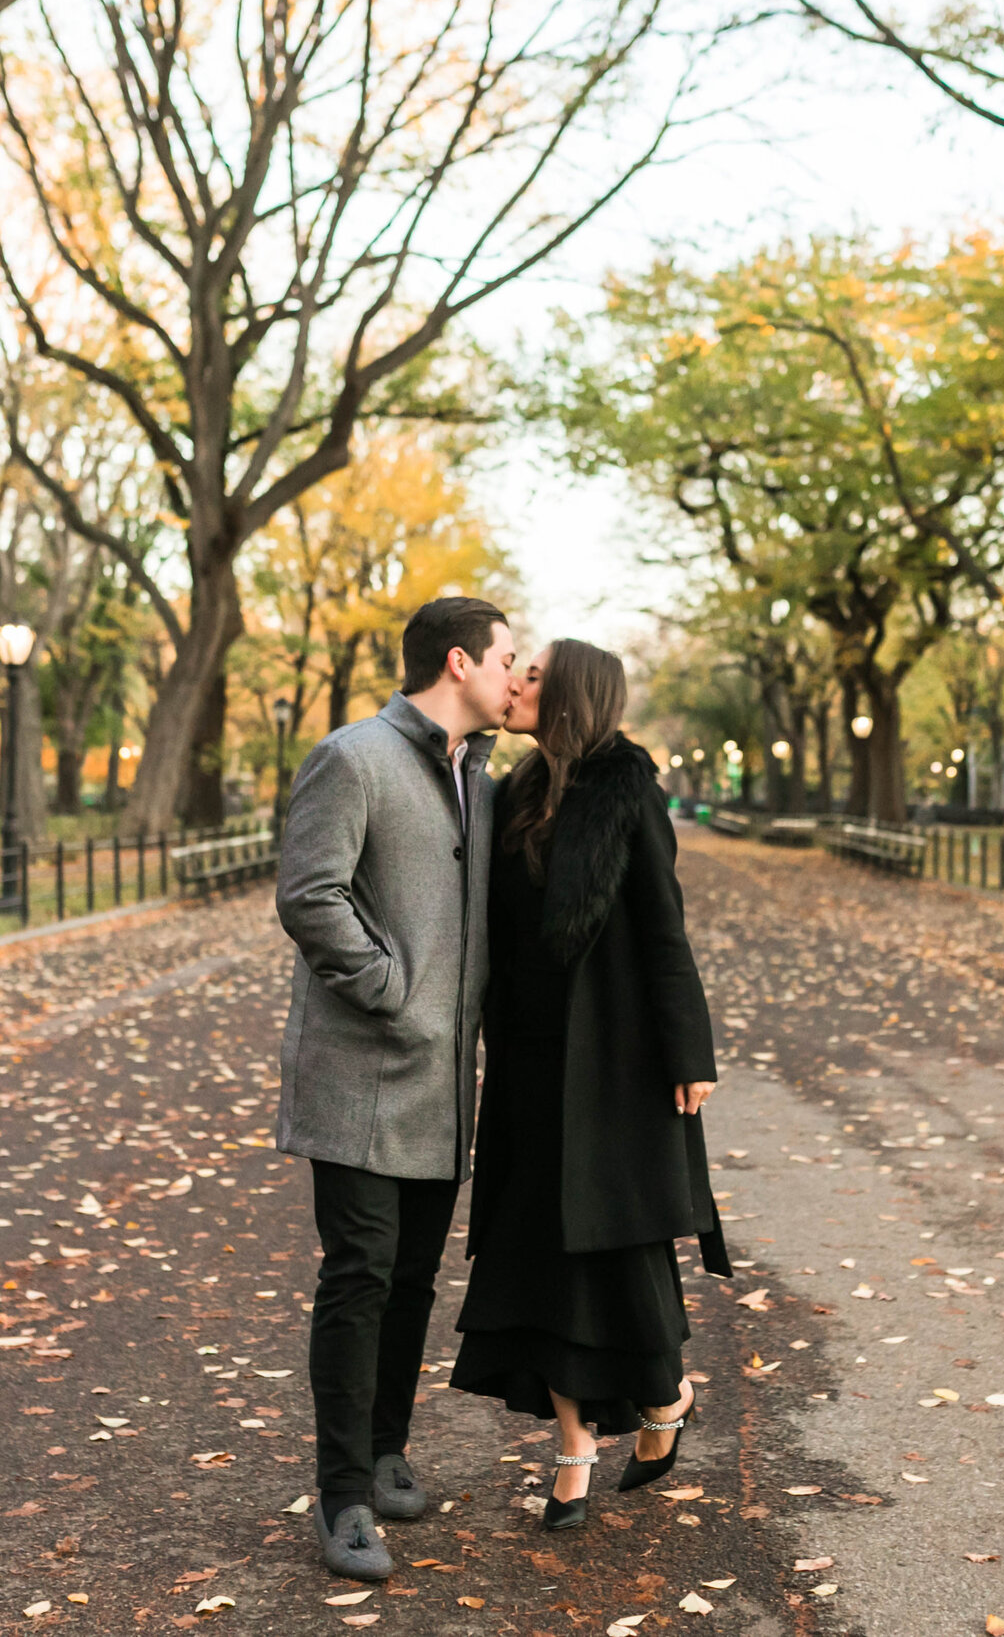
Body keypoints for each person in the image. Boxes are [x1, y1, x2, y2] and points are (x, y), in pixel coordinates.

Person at [448, 638, 729, 1532]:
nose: (514, 685)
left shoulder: (626, 790)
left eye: (531, 676)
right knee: (535, 1256)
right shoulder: (512, 790)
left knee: (613, 1248)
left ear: (569, 695)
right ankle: (574, 1450)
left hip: (614, 1061)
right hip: (530, 1061)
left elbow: (663, 931)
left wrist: (690, 1054)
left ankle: (664, 1393)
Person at [273, 594, 517, 1580]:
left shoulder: (483, 782)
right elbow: (308, 892)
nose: (515, 675)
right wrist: (393, 990)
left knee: (413, 1279)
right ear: (458, 662)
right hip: (360, 1075)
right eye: (506, 657)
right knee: (360, 1274)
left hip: (442, 1085)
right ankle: (340, 1497)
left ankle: (382, 1449)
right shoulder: (352, 756)